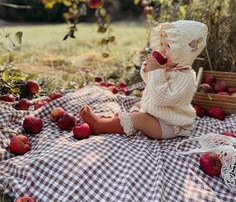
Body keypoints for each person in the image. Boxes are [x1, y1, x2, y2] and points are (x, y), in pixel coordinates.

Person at [80, 20, 208, 139]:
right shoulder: (168, 67)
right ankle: (119, 122)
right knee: (138, 105)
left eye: (169, 46)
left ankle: (101, 126)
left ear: (184, 54)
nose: (162, 49)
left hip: (170, 125)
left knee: (140, 119)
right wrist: (147, 69)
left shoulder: (186, 77)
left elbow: (161, 98)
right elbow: (150, 82)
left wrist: (156, 70)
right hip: (160, 114)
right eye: (162, 44)